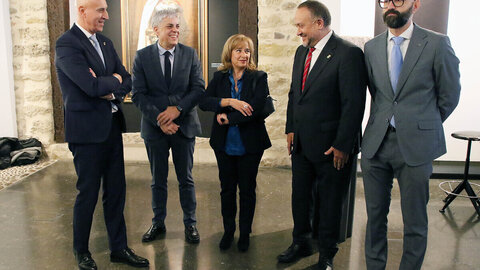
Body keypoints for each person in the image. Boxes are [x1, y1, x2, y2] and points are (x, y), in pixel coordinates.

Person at [361, 1, 461, 269]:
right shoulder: (371, 48)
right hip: (376, 145)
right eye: (385, 0)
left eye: (399, 0)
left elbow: (449, 95)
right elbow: (377, 95)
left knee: (415, 221)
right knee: (374, 218)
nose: (390, 6)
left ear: (415, 4)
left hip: (416, 146)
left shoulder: (437, 44)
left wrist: (421, 125)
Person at [55, 0, 149, 269]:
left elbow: (127, 78)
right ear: (82, 11)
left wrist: (112, 84)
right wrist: (111, 82)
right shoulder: (67, 43)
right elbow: (89, 85)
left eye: (107, 10)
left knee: (116, 190)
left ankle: (119, 248)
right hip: (86, 133)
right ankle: (82, 252)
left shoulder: (105, 43)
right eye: (101, 10)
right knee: (88, 192)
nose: (106, 16)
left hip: (110, 128)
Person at [277, 1, 367, 269]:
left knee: (329, 203)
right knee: (300, 197)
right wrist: (290, 128)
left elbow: (354, 104)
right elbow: (296, 95)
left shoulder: (348, 54)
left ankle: (326, 254)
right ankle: (300, 241)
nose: (298, 32)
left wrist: (343, 145)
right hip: (303, 144)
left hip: (332, 148)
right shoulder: (300, 52)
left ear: (319, 23)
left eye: (301, 25)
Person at [131, 5, 204, 244]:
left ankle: (190, 224)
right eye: (170, 26)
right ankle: (158, 223)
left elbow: (198, 89)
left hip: (184, 127)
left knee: (187, 179)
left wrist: (177, 110)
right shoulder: (142, 57)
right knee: (157, 179)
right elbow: (139, 94)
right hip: (155, 130)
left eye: (177, 26)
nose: (175, 30)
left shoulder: (190, 54)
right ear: (155, 30)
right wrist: (160, 120)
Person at [198, 34, 271, 252]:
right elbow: (203, 101)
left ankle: (245, 233)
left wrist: (229, 117)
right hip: (224, 144)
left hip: (251, 144)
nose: (244, 55)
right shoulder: (220, 77)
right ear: (230, 53)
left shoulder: (259, 77)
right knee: (227, 190)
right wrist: (229, 101)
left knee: (247, 190)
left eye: (247, 51)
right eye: (239, 50)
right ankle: (228, 230)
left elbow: (257, 109)